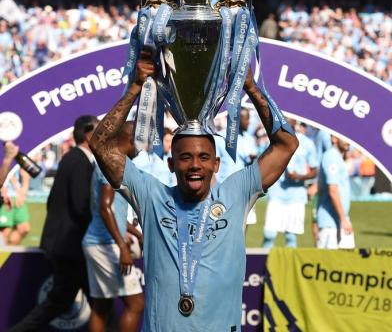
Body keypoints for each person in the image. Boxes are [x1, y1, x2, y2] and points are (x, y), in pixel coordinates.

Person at [89, 51, 298, 331]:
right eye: (185, 158)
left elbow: (286, 144)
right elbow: (101, 145)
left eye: (203, 157)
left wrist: (250, 87)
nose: (194, 165)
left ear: (216, 163)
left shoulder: (236, 193)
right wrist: (135, 89)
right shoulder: (152, 197)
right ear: (171, 164)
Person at [9, 115, 98, 332]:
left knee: (95, 302)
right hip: (70, 247)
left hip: (67, 245)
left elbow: (53, 202)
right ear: (88, 135)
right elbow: (81, 206)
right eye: (101, 130)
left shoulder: (74, 159)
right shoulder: (79, 161)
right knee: (70, 302)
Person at [82, 121, 144, 332]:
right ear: (128, 139)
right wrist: (123, 246)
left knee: (102, 306)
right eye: (138, 141)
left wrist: (136, 232)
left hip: (96, 241)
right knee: (135, 304)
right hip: (105, 244)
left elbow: (112, 212)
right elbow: (105, 208)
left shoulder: (109, 162)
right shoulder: (110, 163)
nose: (140, 147)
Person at [263, 120, 318, 248]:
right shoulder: (273, 140)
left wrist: (299, 177)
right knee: (269, 235)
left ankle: (289, 268)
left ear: (296, 121)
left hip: (296, 196)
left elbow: (315, 171)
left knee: (291, 237)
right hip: (277, 193)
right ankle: (262, 267)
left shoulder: (307, 143)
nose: (287, 119)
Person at [317, 135, 354, 249]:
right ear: (334, 139)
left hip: (339, 221)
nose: (349, 140)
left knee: (347, 263)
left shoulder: (338, 157)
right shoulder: (331, 156)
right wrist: (343, 219)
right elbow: (333, 190)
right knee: (327, 265)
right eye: (344, 136)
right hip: (330, 223)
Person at [0, 168, 31, 245]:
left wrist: (23, 191)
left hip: (18, 195)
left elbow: (25, 172)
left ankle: (9, 253)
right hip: (5, 196)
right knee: (5, 231)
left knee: (24, 228)